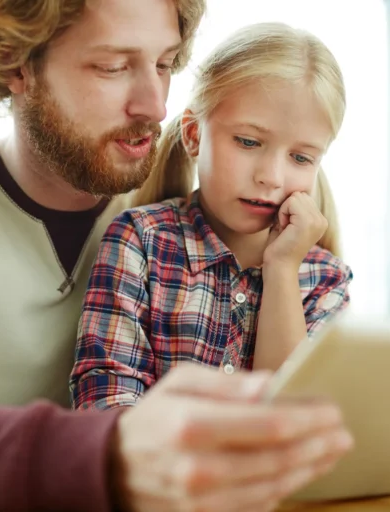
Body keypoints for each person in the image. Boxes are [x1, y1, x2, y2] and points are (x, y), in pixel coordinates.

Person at [0, 2, 353, 512]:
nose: (153, 104)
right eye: (112, 66)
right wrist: (98, 455)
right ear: (14, 62)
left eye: (164, 64)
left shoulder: (184, 222)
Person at [71, 22, 354, 411]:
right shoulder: (140, 242)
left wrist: (282, 269)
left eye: (301, 157)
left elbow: (289, 418)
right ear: (193, 135)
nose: (270, 177)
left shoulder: (325, 280)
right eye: (248, 142)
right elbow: (104, 403)